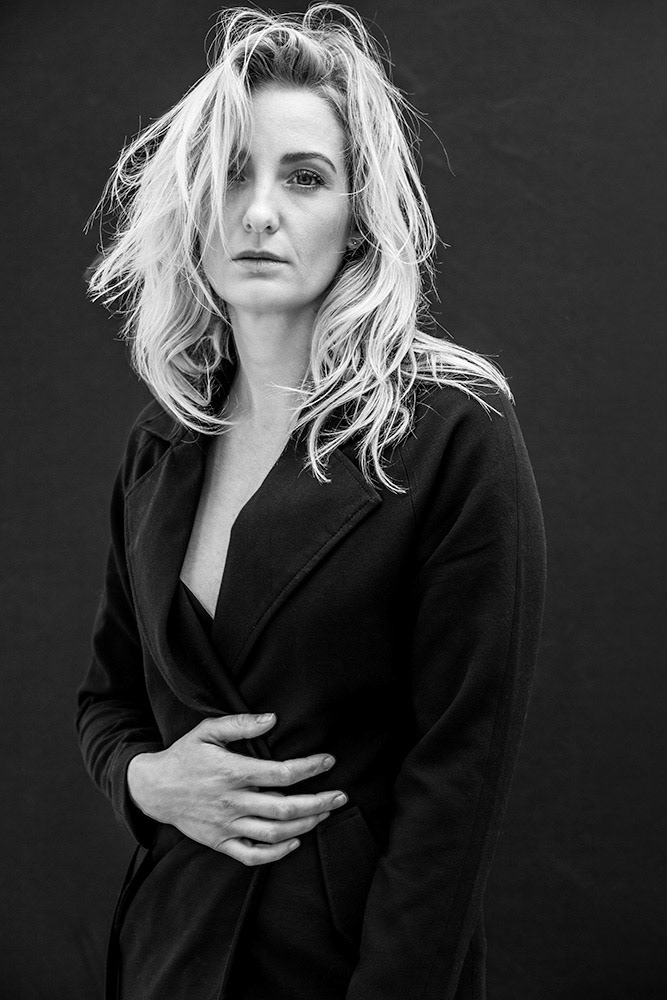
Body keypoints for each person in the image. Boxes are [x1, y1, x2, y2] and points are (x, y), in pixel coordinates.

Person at [76, 5, 546, 999]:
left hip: (344, 966)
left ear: (358, 213)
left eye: (304, 176)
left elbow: (454, 783)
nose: (258, 212)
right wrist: (145, 781)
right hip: (167, 950)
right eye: (231, 174)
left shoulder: (451, 430)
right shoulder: (162, 441)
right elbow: (107, 700)